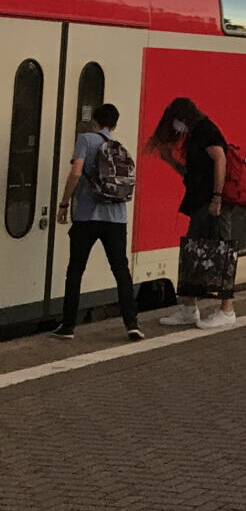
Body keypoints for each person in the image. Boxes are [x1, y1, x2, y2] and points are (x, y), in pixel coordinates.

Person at [51, 103, 143, 342]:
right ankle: (132, 324)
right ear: (114, 125)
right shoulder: (119, 147)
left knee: (75, 271)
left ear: (94, 120)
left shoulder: (86, 139)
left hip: (87, 217)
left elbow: (76, 173)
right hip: (116, 219)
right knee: (121, 270)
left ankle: (68, 326)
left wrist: (63, 204)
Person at [147, 98, 236, 329]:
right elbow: (193, 172)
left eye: (176, 120)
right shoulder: (195, 133)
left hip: (212, 203)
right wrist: (169, 161)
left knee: (221, 251)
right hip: (200, 203)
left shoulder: (205, 129)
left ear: (183, 117)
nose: (176, 127)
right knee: (192, 252)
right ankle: (189, 307)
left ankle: (227, 310)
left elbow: (220, 158)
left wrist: (217, 197)